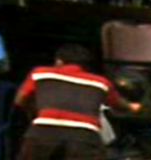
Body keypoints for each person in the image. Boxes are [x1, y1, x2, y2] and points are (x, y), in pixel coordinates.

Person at [14, 44, 142, 160]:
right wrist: (132, 106)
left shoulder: (41, 74)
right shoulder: (100, 82)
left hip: (43, 132)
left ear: (59, 61)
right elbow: (118, 103)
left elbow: (20, 100)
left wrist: (33, 113)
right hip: (84, 136)